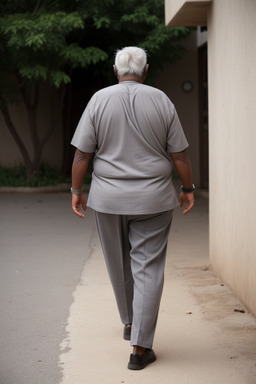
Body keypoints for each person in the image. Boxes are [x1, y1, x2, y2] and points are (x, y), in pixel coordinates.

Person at [70, 46, 194, 370]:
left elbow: (82, 154)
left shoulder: (99, 99)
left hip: (108, 200)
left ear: (115, 71)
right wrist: (188, 188)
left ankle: (129, 322)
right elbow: (179, 154)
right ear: (146, 70)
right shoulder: (162, 100)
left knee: (118, 263)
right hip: (153, 199)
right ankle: (139, 348)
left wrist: (76, 190)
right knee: (148, 269)